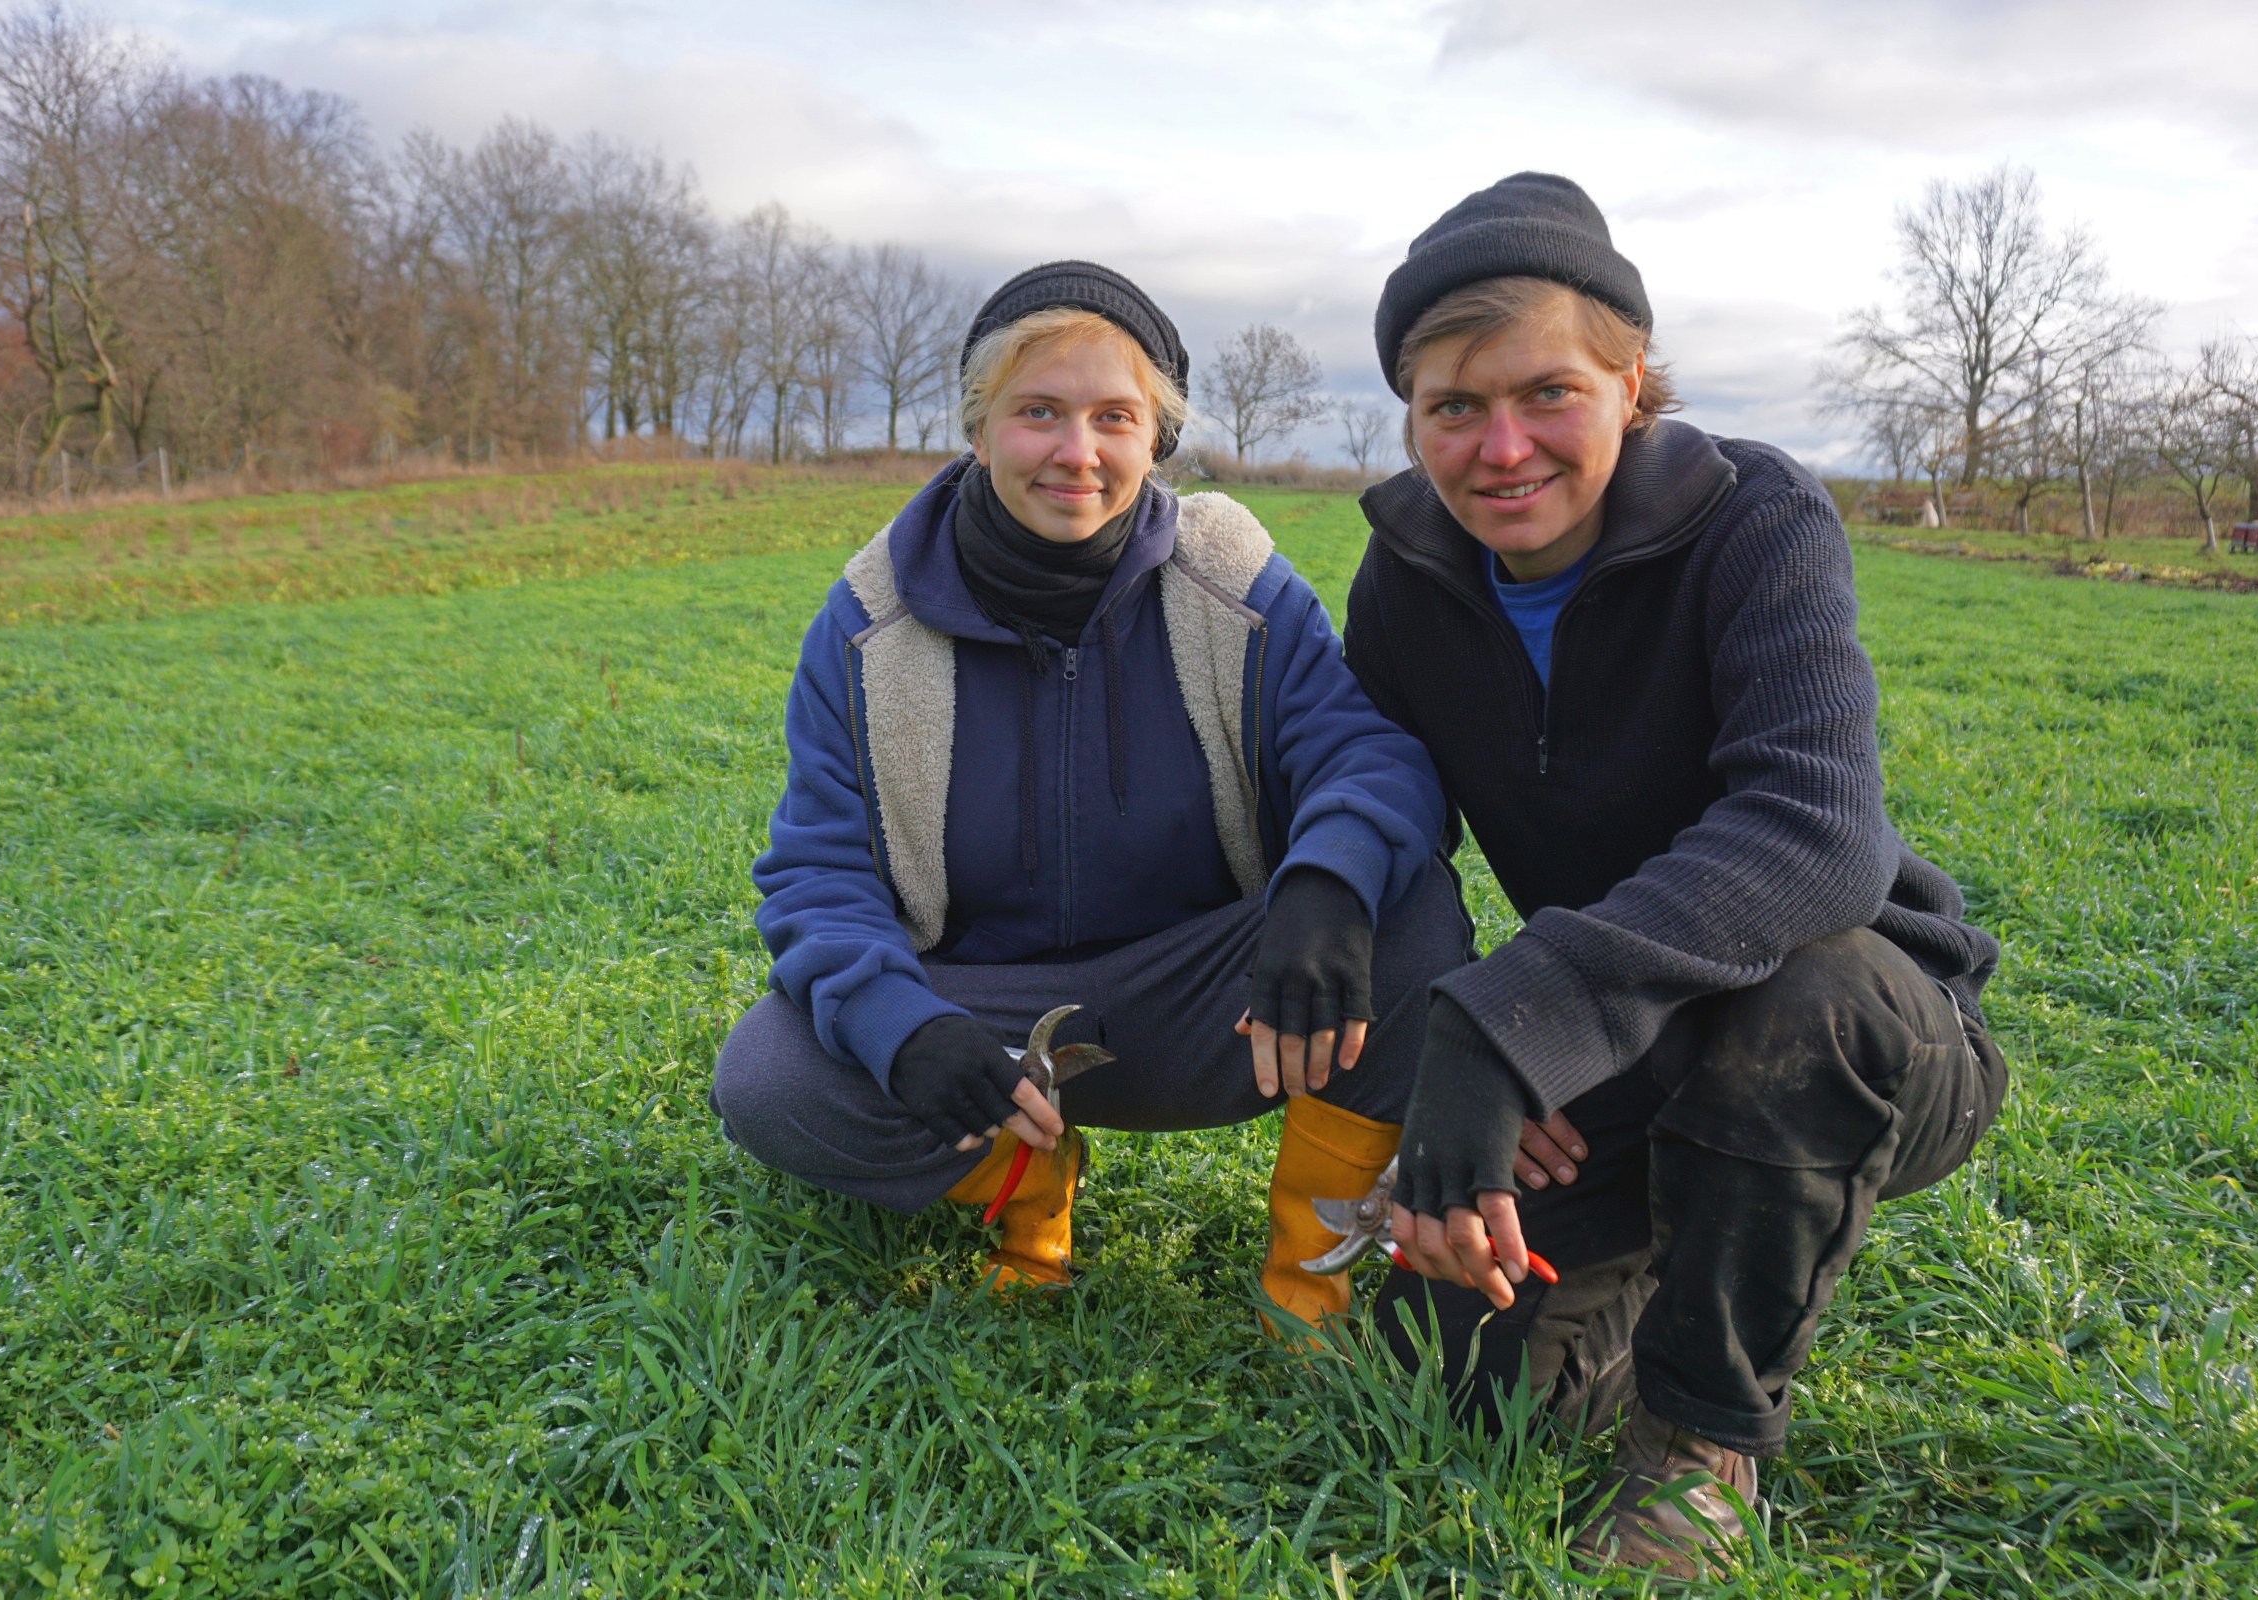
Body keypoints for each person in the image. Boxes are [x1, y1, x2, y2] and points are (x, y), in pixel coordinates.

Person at [1341, 175, 2008, 1577]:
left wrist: (1517, 1016)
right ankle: (1688, 1237)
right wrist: (1448, 1043)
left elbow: (1817, 835)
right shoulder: (1406, 575)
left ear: (1631, 381)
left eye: (1548, 393)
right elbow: (1392, 816)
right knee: (1438, 1373)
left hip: (1860, 1026)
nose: (1500, 446)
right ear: (1408, 412)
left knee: (1802, 999)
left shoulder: (1754, 516)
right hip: (1628, 1054)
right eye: (1452, 407)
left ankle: (1706, 1437)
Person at [710, 261, 1471, 1332]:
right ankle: (1025, 1183)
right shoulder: (865, 621)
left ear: (1154, 440)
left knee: (1411, 915)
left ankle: (1310, 1276)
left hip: (1218, 995)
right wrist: (907, 1029)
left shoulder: (1233, 579)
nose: (1078, 452)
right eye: (1038, 413)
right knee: (772, 1077)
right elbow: (815, 874)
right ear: (977, 430)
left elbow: (1365, 753)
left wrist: (1325, 888)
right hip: (990, 1015)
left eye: (1115, 417)